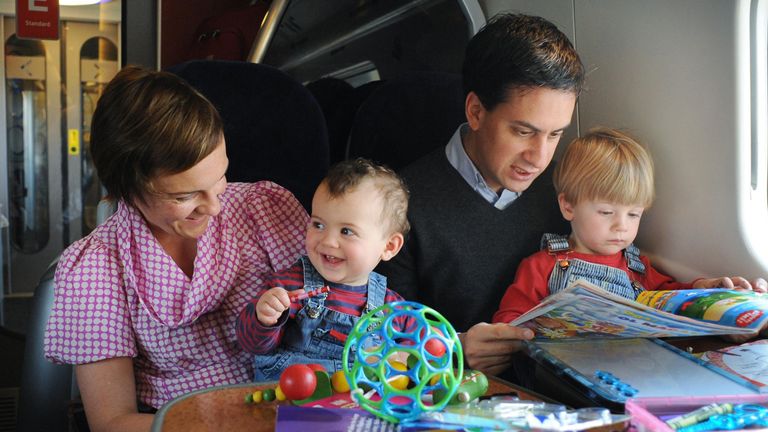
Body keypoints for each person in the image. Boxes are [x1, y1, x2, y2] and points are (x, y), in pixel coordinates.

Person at [43, 66, 308, 431]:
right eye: (185, 196)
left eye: (220, 178)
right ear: (128, 189)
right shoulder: (97, 269)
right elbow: (113, 421)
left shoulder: (263, 209)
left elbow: (340, 304)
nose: (215, 207)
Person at [376, 13, 583, 377]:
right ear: (475, 111)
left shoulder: (567, 192)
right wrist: (454, 348)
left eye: (555, 135)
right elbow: (381, 336)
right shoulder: (398, 205)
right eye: (523, 132)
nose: (539, 158)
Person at [493, 127, 766, 325]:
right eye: (606, 212)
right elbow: (509, 320)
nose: (621, 226)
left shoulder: (636, 267)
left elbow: (667, 296)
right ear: (568, 207)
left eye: (634, 214)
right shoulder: (543, 266)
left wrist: (708, 289)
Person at [236, 158, 412, 380]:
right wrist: (263, 318)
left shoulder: (393, 308)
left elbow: (423, 347)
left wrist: (410, 352)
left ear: (389, 246)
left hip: (357, 407)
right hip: (291, 402)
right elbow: (252, 345)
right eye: (318, 224)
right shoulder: (289, 286)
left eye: (346, 231)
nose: (328, 241)